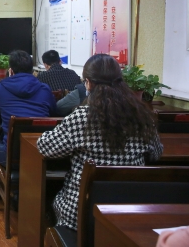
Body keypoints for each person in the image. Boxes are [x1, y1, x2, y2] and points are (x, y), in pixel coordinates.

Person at [37, 54, 163, 231]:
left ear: (88, 83)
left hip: (81, 214)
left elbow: (45, 147)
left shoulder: (81, 117)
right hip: (129, 210)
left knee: (51, 192)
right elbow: (156, 154)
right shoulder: (141, 116)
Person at [0, 50, 57, 169]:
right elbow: (53, 112)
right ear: (33, 71)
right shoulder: (45, 88)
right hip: (41, 151)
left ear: (10, 71)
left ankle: (8, 176)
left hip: (12, 153)